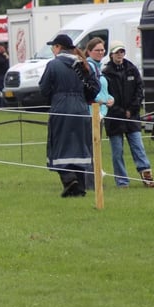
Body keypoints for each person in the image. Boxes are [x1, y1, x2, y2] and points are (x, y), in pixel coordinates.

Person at [39, 34, 100, 197]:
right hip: (81, 109)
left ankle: (69, 179)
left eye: (53, 46)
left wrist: (56, 95)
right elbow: (95, 88)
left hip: (61, 108)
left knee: (59, 146)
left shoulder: (53, 65)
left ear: (58, 47)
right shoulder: (83, 64)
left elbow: (43, 88)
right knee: (79, 147)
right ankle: (79, 188)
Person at [102, 40, 154, 188]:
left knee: (138, 148)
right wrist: (121, 112)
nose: (120, 54)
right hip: (114, 118)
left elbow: (139, 91)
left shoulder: (132, 69)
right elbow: (106, 97)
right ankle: (122, 182)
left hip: (132, 116)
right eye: (117, 52)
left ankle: (148, 178)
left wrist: (132, 109)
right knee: (117, 152)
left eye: (122, 51)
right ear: (111, 54)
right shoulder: (106, 73)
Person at [84, 37, 114, 190]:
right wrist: (101, 100)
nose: (101, 52)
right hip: (91, 113)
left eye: (102, 50)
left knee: (96, 147)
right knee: (91, 148)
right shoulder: (88, 67)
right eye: (97, 50)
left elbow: (103, 90)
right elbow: (88, 90)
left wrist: (110, 98)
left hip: (101, 112)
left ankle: (94, 179)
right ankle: (90, 182)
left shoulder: (98, 67)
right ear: (89, 51)